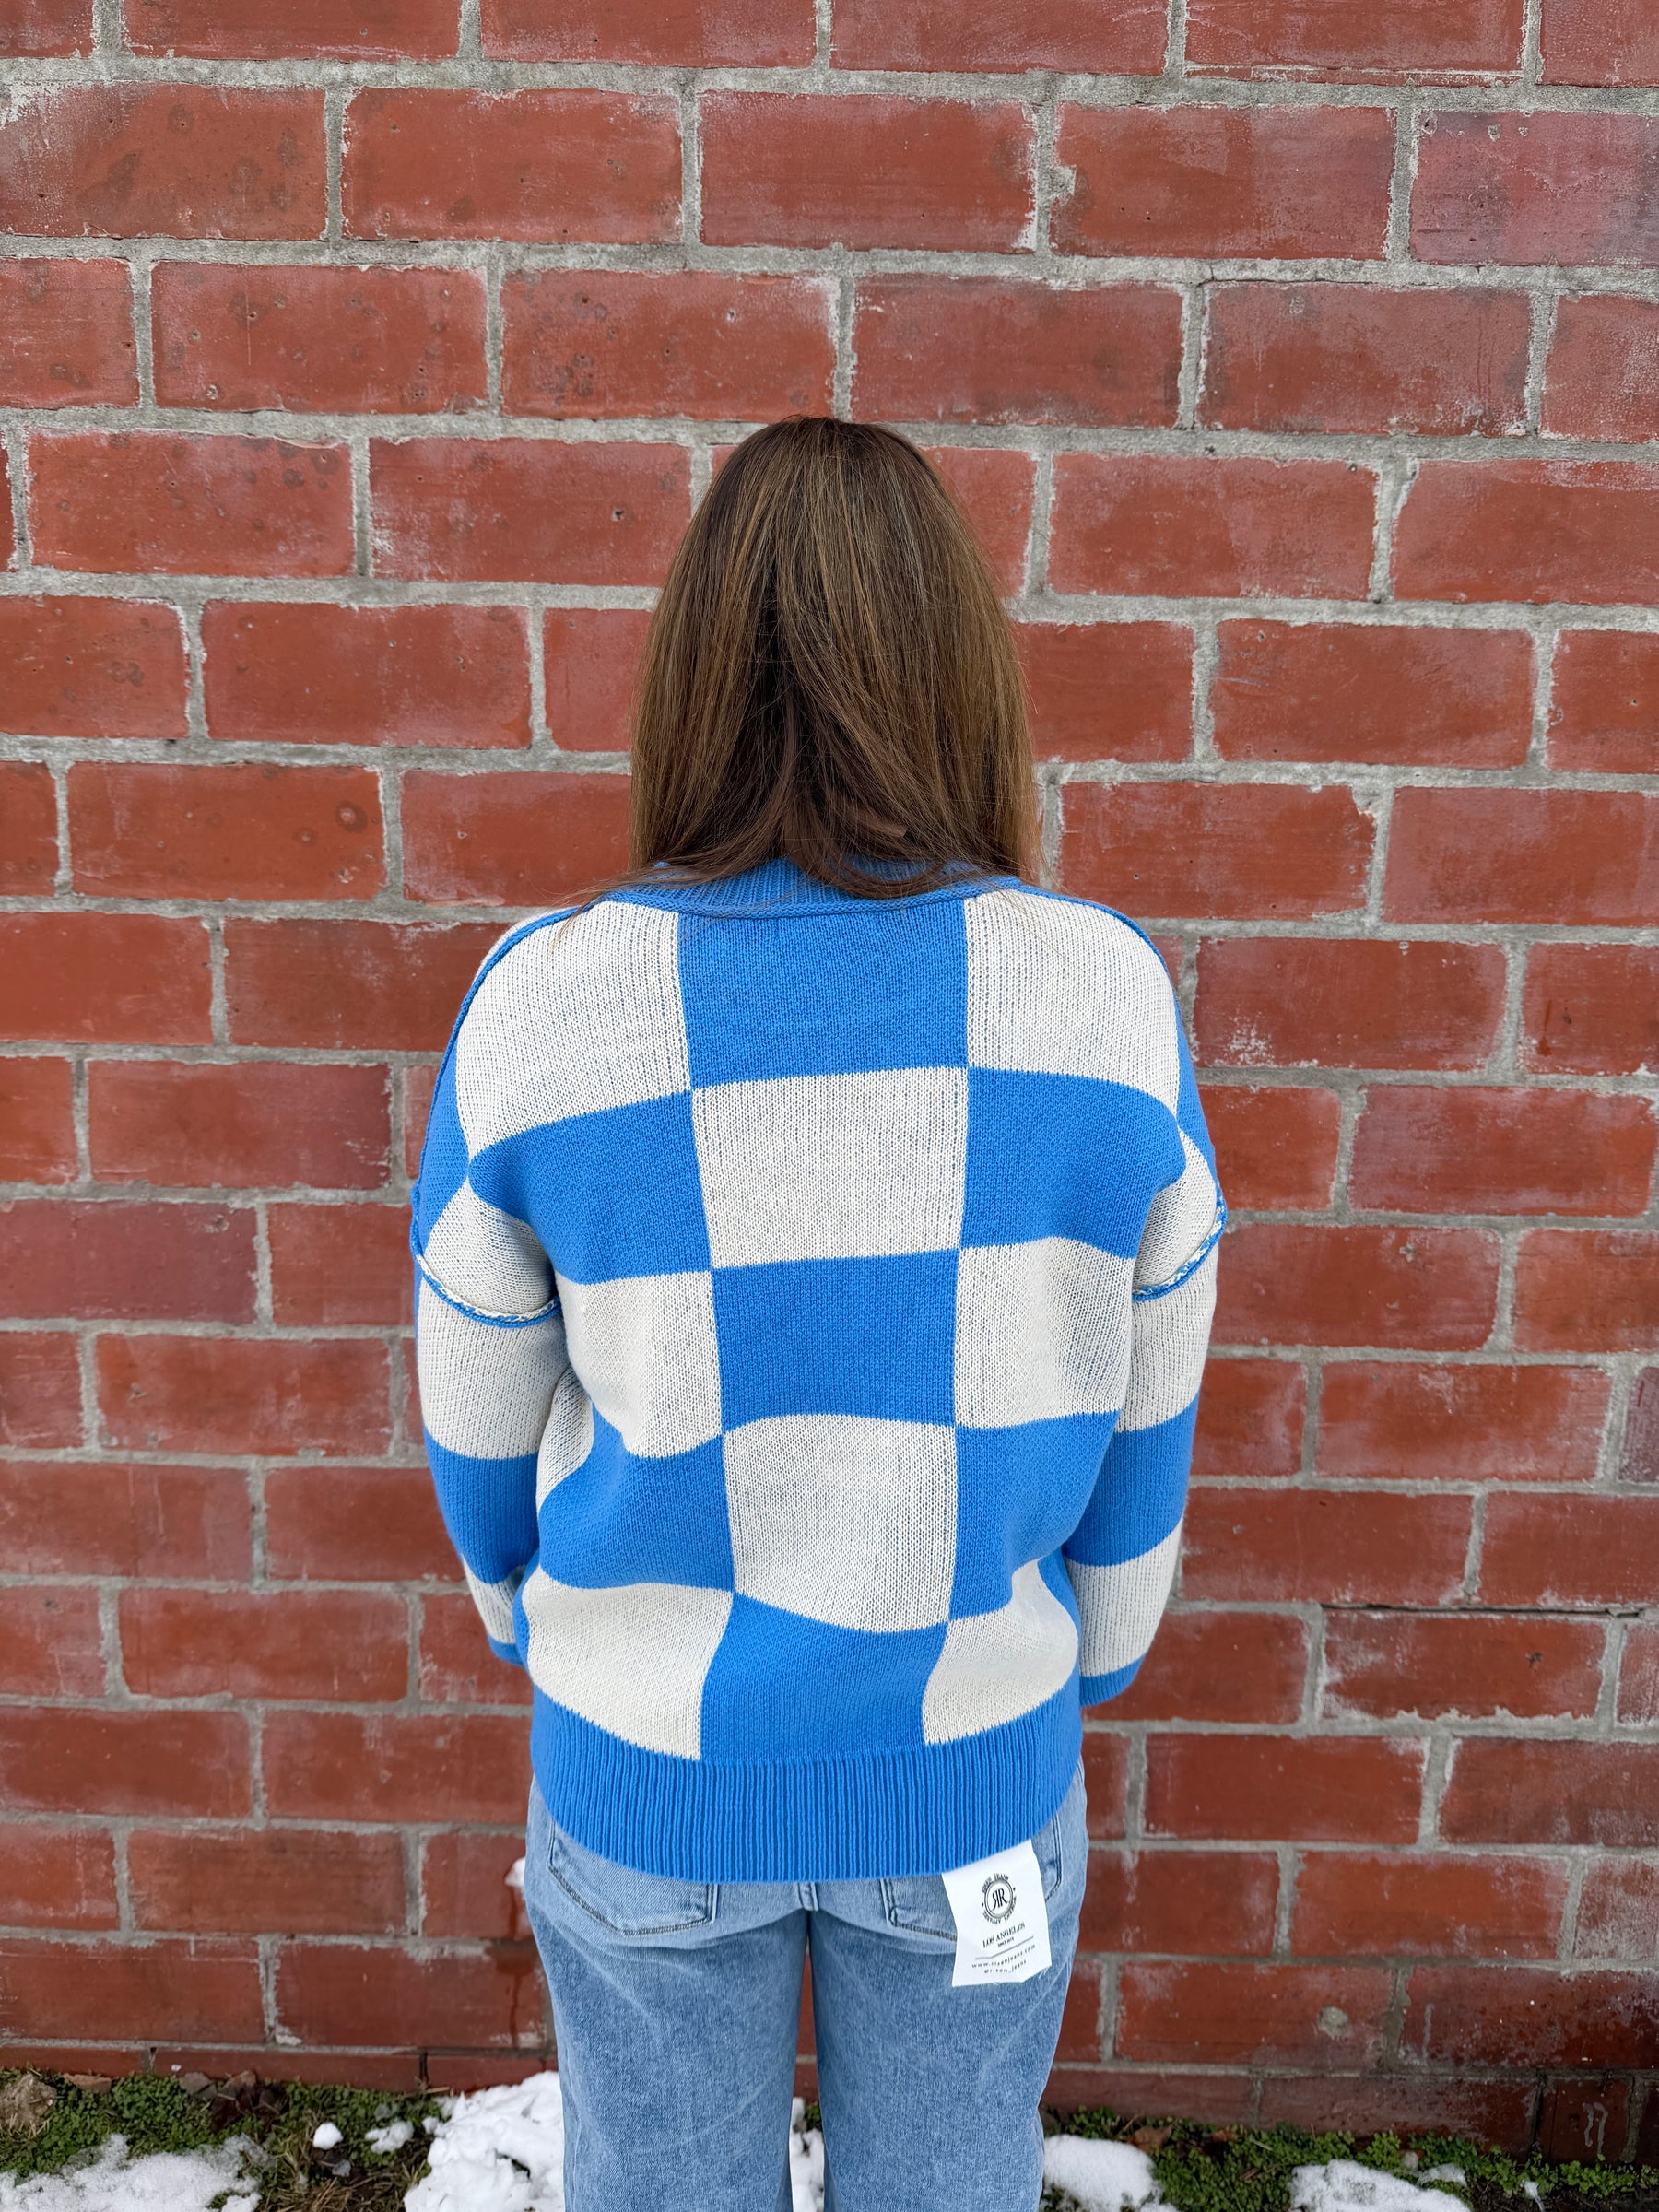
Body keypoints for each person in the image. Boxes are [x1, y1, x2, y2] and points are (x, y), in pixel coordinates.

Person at [410, 417, 1225, 2211]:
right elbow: (1146, 1407)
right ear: (963, 675)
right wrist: (1084, 1660)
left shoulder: (541, 1010)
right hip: (968, 1769)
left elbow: (475, 1409)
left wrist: (525, 1615)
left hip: (647, 1771)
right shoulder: (1102, 1002)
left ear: (694, 671)